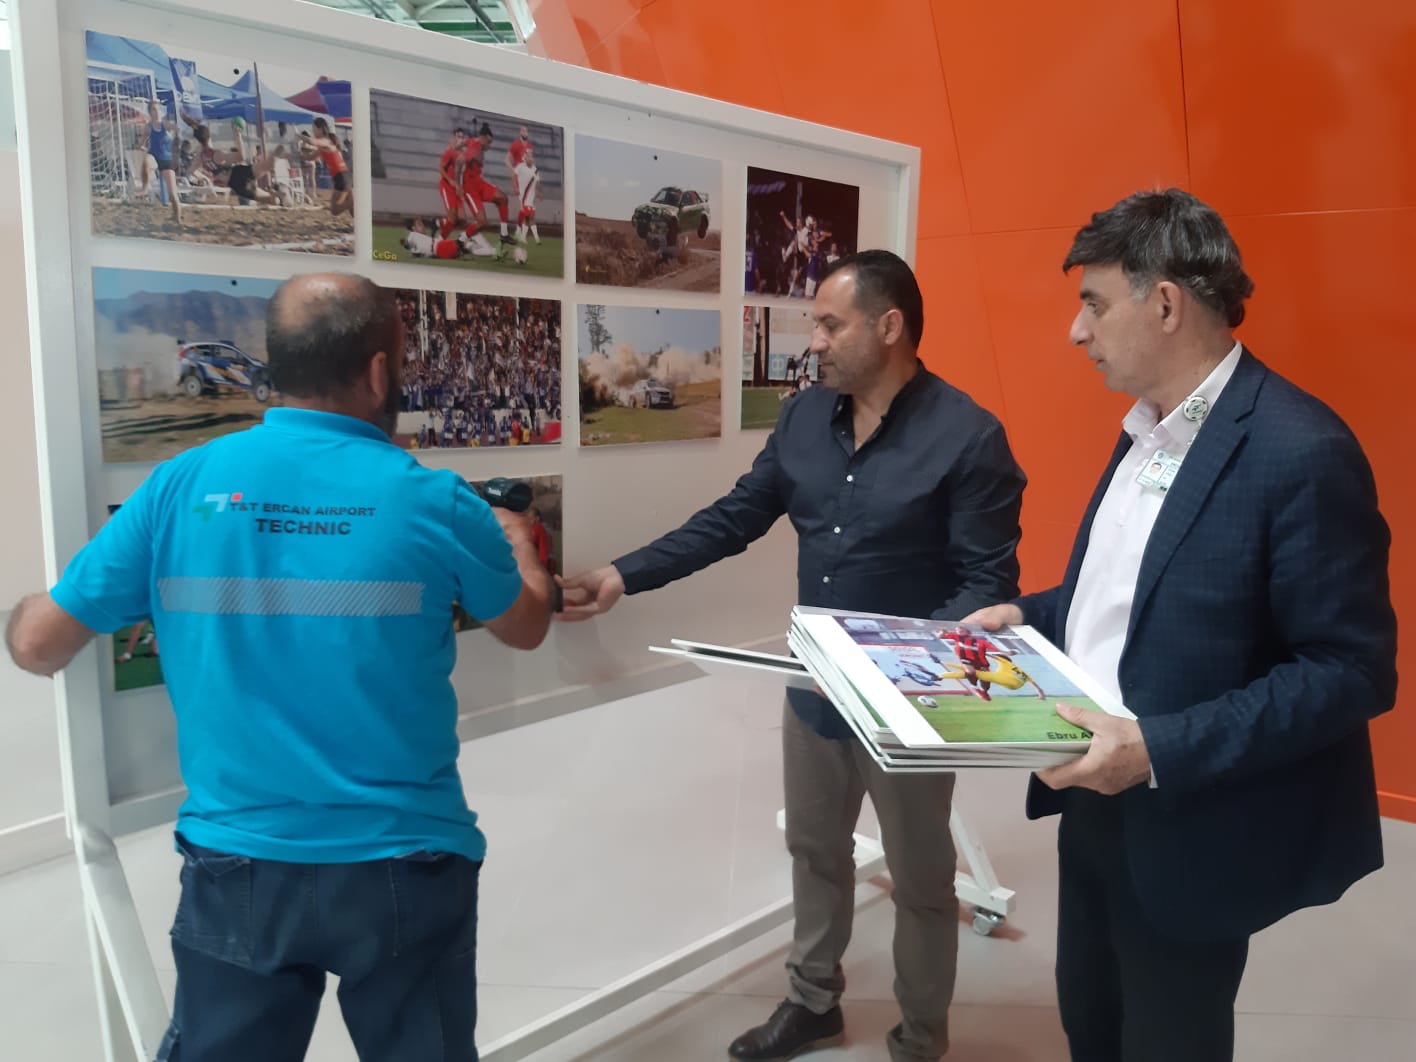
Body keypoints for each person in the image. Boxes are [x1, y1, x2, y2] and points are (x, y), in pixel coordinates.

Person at [5, 273, 555, 1061]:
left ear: (279, 365)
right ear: (379, 372)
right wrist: (520, 545)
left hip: (240, 865)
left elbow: (38, 644)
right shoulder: (438, 501)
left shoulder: (181, 485)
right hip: (405, 858)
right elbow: (526, 627)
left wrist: (23, 609)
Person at [962, 188, 1397, 1062]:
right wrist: (1028, 614)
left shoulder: (1301, 449)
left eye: (1092, 303)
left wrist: (1157, 749)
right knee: (1091, 1022)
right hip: (1091, 794)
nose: (1076, 332)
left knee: (1169, 1040)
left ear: (1164, 304)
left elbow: (1350, 670)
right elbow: (1133, 593)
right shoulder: (1145, 433)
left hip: (1193, 815)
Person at [559, 249, 1026, 1062]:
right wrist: (623, 574)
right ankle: (813, 1004)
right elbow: (735, 516)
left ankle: (920, 1040)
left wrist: (894, 665)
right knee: (815, 851)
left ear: (889, 326)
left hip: (906, 704)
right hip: (813, 690)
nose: (814, 341)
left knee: (922, 881)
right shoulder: (805, 419)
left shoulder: (969, 437)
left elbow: (986, 583)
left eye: (830, 325)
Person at [458, 122, 514, 254]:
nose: (490, 145)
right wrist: (457, 184)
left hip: (479, 183)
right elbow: (459, 161)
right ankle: (461, 240)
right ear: (483, 138)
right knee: (482, 222)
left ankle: (504, 234)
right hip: (470, 188)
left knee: (503, 198)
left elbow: (465, 142)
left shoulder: (475, 142)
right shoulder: (475, 149)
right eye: (488, 142)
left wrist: (458, 145)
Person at [301, 117, 351, 217]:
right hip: (343, 175)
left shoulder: (326, 141)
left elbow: (312, 141)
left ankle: (354, 202)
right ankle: (353, 203)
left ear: (320, 129)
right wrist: (292, 155)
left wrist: (300, 136)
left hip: (341, 176)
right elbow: (311, 157)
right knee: (351, 210)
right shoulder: (324, 144)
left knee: (335, 210)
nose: (313, 132)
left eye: (314, 129)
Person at [506, 124, 541, 244]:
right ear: (520, 132)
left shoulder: (531, 146)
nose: (525, 133)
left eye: (526, 131)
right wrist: (513, 170)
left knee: (527, 210)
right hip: (520, 178)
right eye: (523, 130)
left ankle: (521, 232)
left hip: (529, 179)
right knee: (522, 207)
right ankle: (518, 231)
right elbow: (507, 159)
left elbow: (532, 163)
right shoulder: (515, 144)